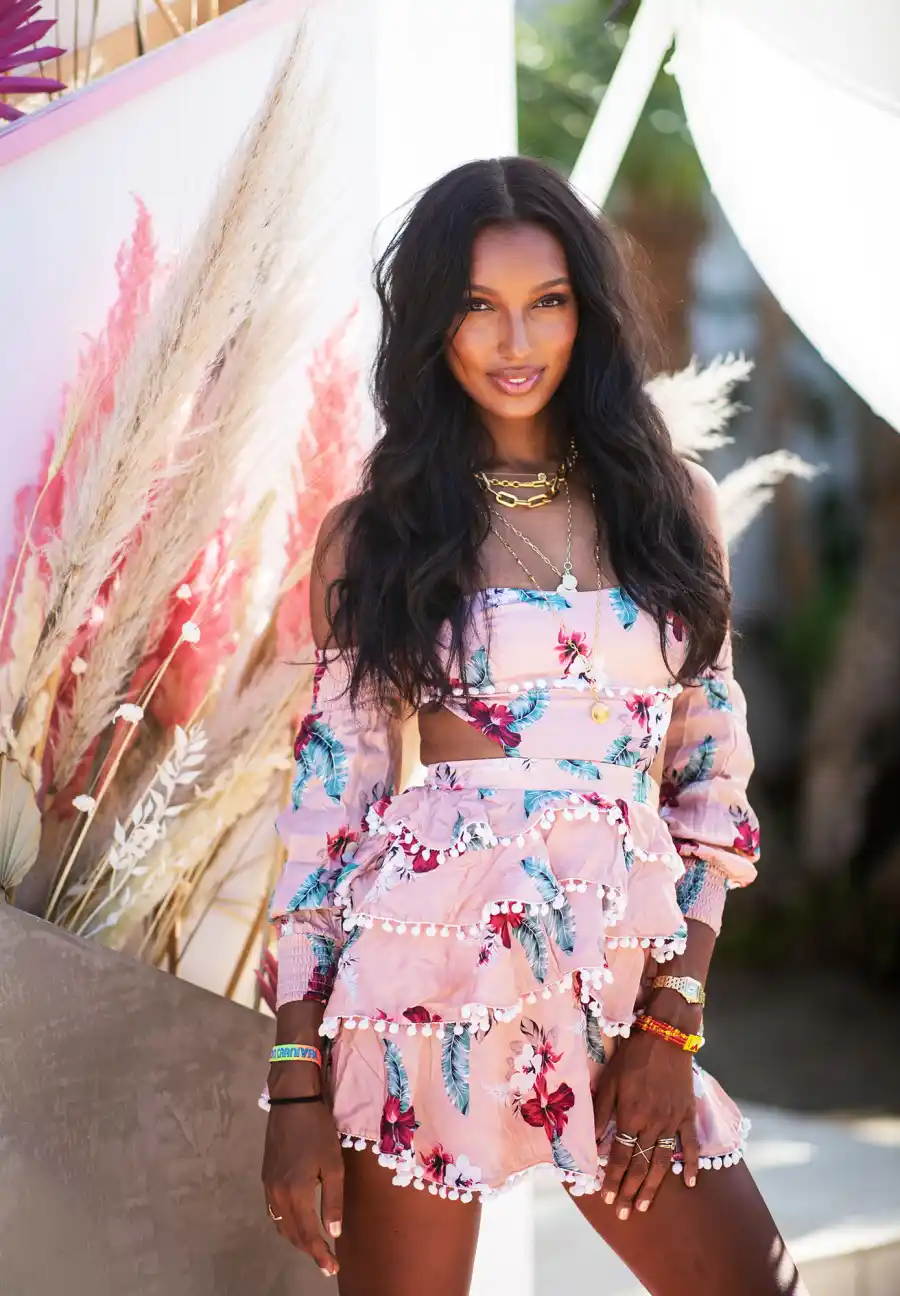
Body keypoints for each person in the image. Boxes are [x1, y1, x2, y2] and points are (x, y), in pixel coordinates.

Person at [260, 156, 807, 1296]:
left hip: (623, 982)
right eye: (478, 306)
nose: (517, 341)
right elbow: (326, 820)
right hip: (426, 981)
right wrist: (296, 1083)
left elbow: (711, 783)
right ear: (432, 324)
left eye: (546, 302)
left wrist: (674, 1022)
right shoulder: (380, 533)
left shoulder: (672, 505)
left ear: (587, 313)